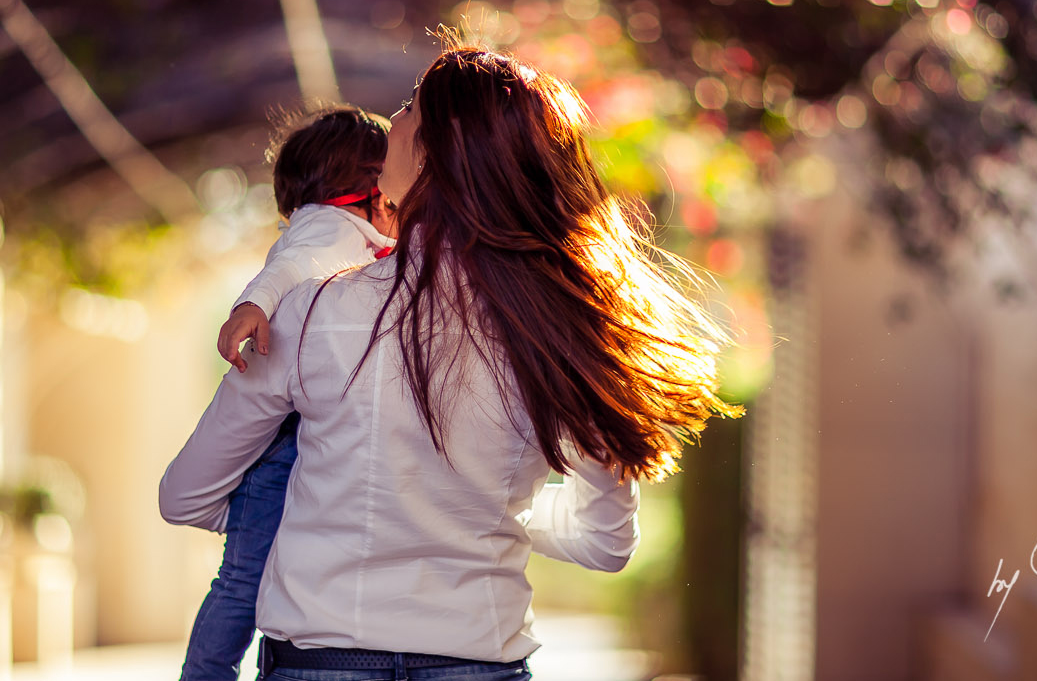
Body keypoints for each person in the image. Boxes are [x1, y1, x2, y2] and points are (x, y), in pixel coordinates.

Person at [160, 42, 742, 681]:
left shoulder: (311, 314)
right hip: (479, 662)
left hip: (321, 661)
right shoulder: (557, 332)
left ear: (433, 151)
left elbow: (185, 496)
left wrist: (317, 504)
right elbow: (605, 543)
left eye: (410, 107)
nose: (393, 119)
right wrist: (483, 504)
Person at [182, 107, 397, 681]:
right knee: (244, 579)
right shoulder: (327, 227)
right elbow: (291, 265)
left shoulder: (354, 231)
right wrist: (252, 304)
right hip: (283, 444)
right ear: (371, 182)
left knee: (253, 576)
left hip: (298, 439)